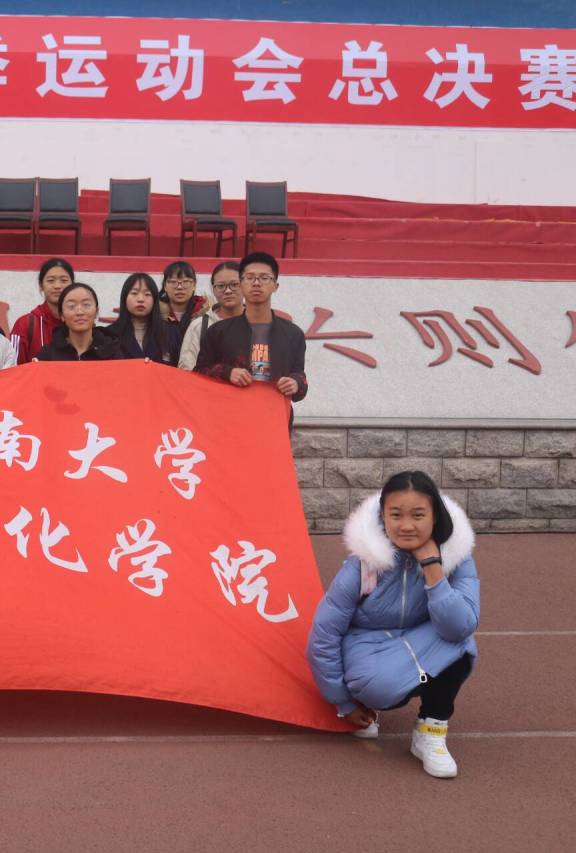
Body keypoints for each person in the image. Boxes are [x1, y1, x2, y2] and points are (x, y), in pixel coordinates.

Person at [307, 471, 479, 778]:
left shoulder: (458, 559)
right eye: (396, 515)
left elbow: (460, 626)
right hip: (368, 649)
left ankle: (430, 731)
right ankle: (364, 702)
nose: (406, 525)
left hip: (421, 640)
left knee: (461, 644)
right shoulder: (364, 564)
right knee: (379, 687)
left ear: (435, 517)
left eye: (418, 515)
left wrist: (433, 569)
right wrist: (344, 703)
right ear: (382, 517)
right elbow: (324, 634)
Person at [194, 251, 308, 406]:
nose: (256, 283)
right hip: (230, 412)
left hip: (275, 414)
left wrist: (296, 383)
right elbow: (199, 373)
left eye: (264, 278)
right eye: (249, 277)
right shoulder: (218, 331)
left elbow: (300, 375)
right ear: (241, 284)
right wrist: (228, 372)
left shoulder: (293, 334)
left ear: (275, 286)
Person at [178, 261, 243, 371]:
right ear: (213, 289)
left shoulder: (260, 323)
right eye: (221, 286)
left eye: (234, 285)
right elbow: (186, 369)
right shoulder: (199, 326)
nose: (228, 291)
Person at [36, 282, 123, 361]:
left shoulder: (113, 352)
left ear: (96, 312)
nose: (79, 312)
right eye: (71, 306)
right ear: (62, 315)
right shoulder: (48, 355)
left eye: (86, 305)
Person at [9, 258, 73, 364]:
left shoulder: (79, 323)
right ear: (41, 285)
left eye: (64, 280)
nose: (57, 286)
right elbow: (13, 367)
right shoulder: (24, 325)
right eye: (50, 280)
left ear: (72, 285)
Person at [102, 273, 172, 364]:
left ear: (155, 300)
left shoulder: (171, 333)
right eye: (134, 293)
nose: (140, 299)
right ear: (124, 298)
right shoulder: (108, 335)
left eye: (147, 294)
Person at [159, 260, 207, 365]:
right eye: (173, 282)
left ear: (194, 285)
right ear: (165, 286)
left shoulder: (207, 316)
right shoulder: (155, 315)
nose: (180, 287)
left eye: (186, 282)